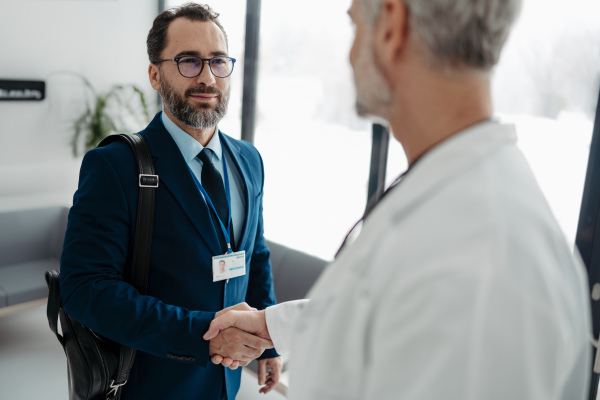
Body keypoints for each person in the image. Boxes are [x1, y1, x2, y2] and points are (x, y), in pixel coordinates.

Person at [203, 0, 593, 398]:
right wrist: (273, 324)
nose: (350, 56)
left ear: (391, 24)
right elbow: (393, 312)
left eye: (355, 27)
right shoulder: (458, 203)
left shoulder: (482, 269)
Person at [60, 4, 282, 400]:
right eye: (188, 62)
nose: (207, 77)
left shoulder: (249, 160)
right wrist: (204, 336)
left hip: (225, 382)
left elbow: (255, 256)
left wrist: (271, 339)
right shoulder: (115, 166)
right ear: (155, 75)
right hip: (150, 382)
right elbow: (85, 288)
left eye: (217, 61)